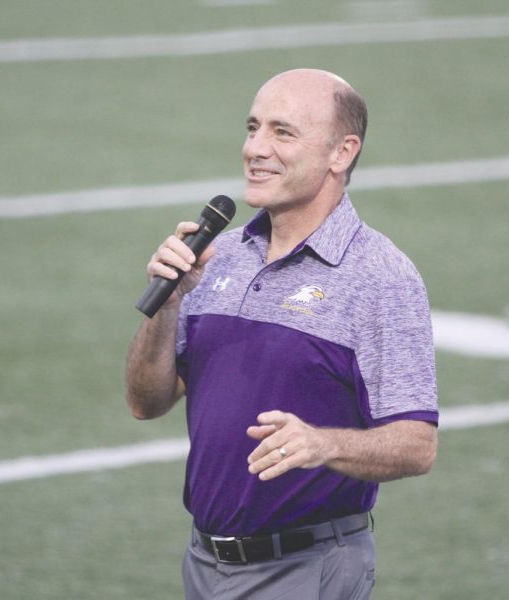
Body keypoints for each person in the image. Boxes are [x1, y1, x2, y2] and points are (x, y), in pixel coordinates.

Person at [125, 68, 438, 599]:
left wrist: (322, 444)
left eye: (282, 133)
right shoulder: (219, 257)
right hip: (204, 560)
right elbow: (145, 402)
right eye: (253, 128)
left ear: (342, 152)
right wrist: (168, 305)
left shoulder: (379, 275)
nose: (255, 148)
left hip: (304, 566)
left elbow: (418, 444)